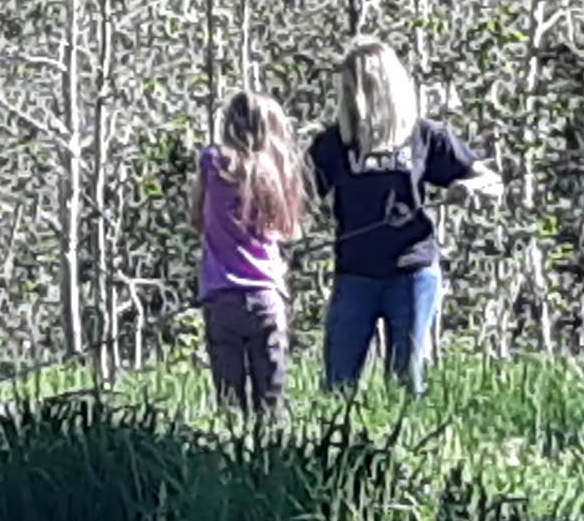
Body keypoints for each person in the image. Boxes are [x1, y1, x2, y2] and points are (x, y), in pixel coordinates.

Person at [306, 39, 499, 394]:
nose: (351, 97)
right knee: (338, 381)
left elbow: (489, 180)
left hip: (411, 272)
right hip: (355, 274)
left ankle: (403, 441)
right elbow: (300, 193)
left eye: (357, 86)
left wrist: (470, 188)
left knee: (406, 378)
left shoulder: (425, 136)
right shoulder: (334, 144)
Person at [195, 89, 308, 418]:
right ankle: (271, 460)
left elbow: (196, 218)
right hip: (266, 297)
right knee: (271, 399)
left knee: (230, 401)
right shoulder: (277, 170)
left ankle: (230, 461)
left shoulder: (212, 162)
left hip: (221, 297)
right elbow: (289, 230)